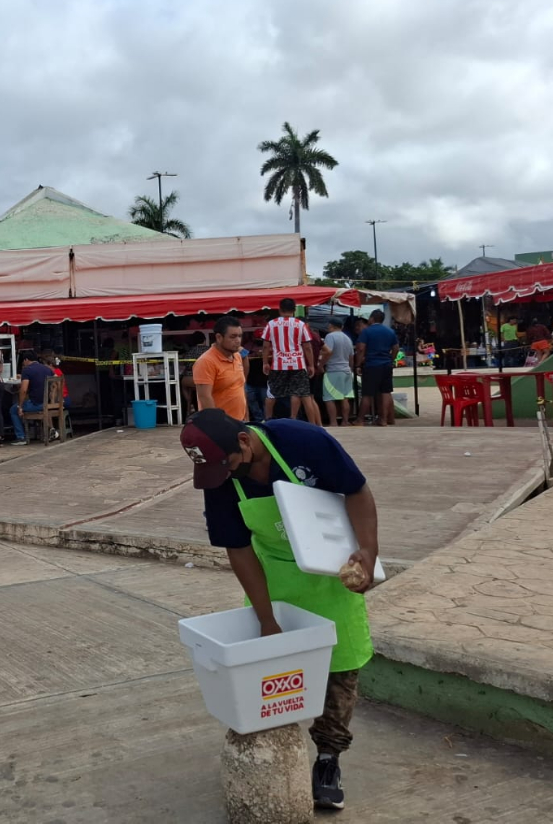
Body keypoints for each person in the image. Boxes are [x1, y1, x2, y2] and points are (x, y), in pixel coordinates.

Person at [180, 408, 378, 810]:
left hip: (330, 569)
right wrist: (266, 619)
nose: (226, 476)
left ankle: (328, 759)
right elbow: (238, 549)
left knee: (340, 671)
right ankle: (270, 749)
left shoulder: (302, 441)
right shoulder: (221, 478)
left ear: (243, 442)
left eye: (228, 465)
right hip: (272, 578)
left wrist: (368, 552)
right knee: (269, 675)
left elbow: (356, 490)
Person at [260, 298, 320, 425]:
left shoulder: (271, 324)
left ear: (279, 309)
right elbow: (307, 347)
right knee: (303, 394)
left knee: (272, 394)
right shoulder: (300, 324)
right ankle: (305, 422)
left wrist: (265, 362)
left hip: (278, 365)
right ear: (294, 310)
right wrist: (311, 365)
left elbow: (265, 346)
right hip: (297, 364)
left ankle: (268, 420)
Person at [194, 316, 247, 420]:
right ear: (219, 337)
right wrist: (217, 424)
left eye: (240, 336)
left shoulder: (237, 356)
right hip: (220, 425)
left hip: (239, 423)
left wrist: (246, 417)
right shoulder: (206, 361)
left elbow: (240, 389)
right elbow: (204, 397)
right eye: (233, 337)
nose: (238, 341)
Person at [355, 310, 399, 426]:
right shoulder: (390, 331)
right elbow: (396, 348)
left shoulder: (366, 332)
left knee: (367, 393)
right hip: (386, 365)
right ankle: (384, 419)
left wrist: (358, 364)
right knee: (385, 392)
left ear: (371, 319)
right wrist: (391, 359)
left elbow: (360, 349)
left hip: (371, 365)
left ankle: (360, 420)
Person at [9, 349, 54, 444]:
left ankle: (21, 437)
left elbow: (24, 389)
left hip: (36, 404)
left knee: (13, 409)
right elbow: (54, 386)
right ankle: (52, 430)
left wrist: (20, 407)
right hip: (48, 403)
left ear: (26, 360)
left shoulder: (27, 370)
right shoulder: (47, 369)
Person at [320, 318, 356, 427]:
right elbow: (351, 357)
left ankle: (333, 422)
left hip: (333, 370)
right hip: (346, 370)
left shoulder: (330, 337)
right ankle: (345, 421)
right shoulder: (347, 338)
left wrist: (321, 365)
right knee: (344, 397)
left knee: (329, 397)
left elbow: (327, 353)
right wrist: (351, 369)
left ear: (331, 326)